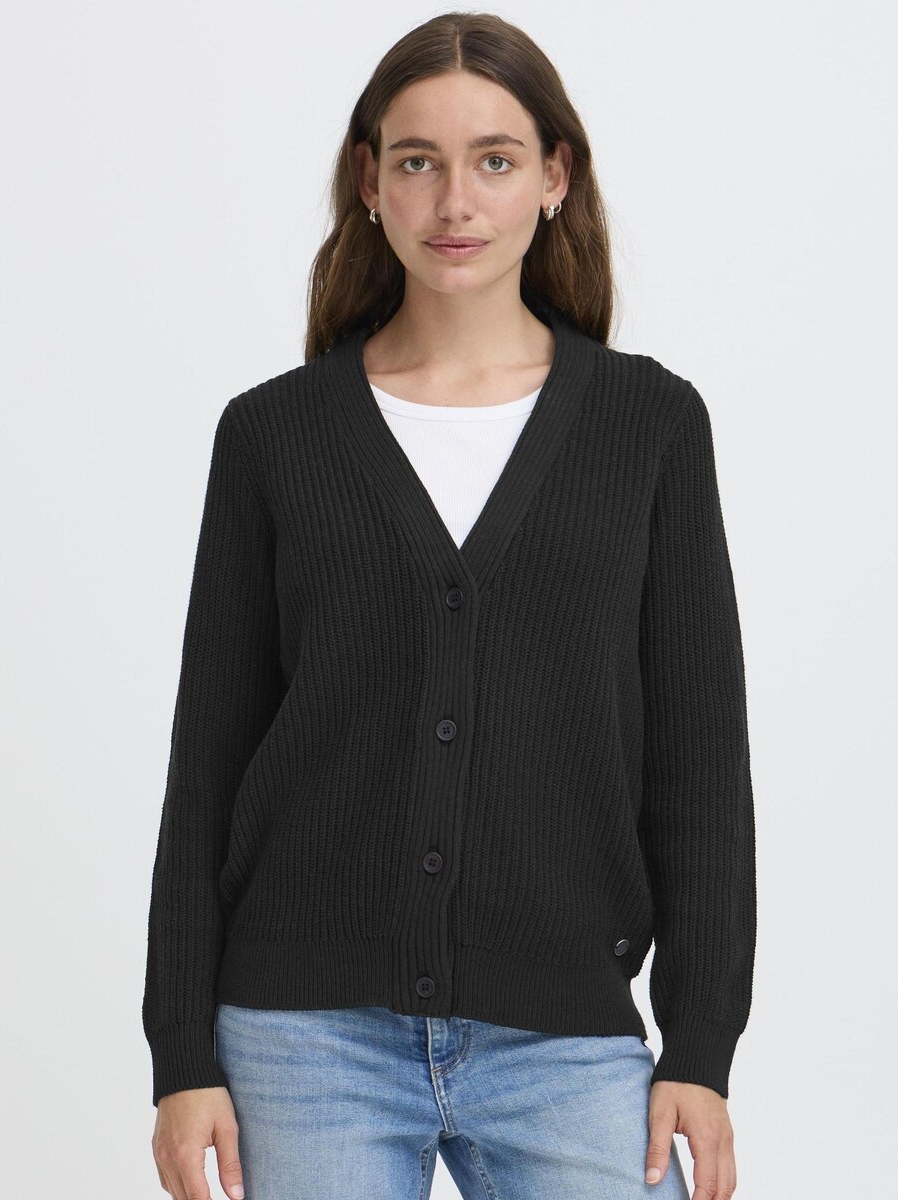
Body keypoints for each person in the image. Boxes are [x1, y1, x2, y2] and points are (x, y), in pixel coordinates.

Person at [143, 11, 756, 1200]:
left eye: (496, 159)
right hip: (300, 1040)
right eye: (418, 161)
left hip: (566, 1039)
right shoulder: (274, 436)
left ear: (555, 178)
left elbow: (700, 764)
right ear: (369, 182)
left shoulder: (650, 428)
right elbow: (207, 760)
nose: (455, 202)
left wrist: (701, 1047)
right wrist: (181, 1058)